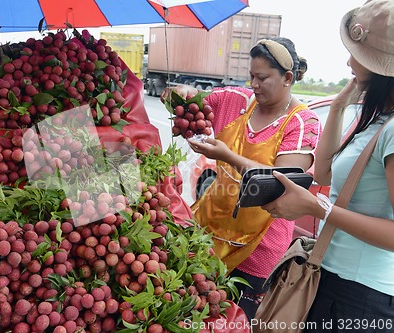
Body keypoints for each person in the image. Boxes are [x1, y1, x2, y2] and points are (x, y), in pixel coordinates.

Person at [160, 37, 321, 319]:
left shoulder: (302, 123)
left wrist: (229, 157)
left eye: (262, 78)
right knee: (188, 313)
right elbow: (197, 101)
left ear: (287, 77)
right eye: (251, 76)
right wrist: (181, 95)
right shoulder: (237, 102)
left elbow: (282, 184)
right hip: (208, 231)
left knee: (233, 319)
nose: (254, 85)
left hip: (258, 248)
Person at [261, 0, 394, 331]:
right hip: (332, 279)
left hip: (362, 297)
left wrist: (320, 209)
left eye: (359, 56)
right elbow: (323, 173)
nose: (349, 61)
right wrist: (336, 109)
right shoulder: (375, 118)